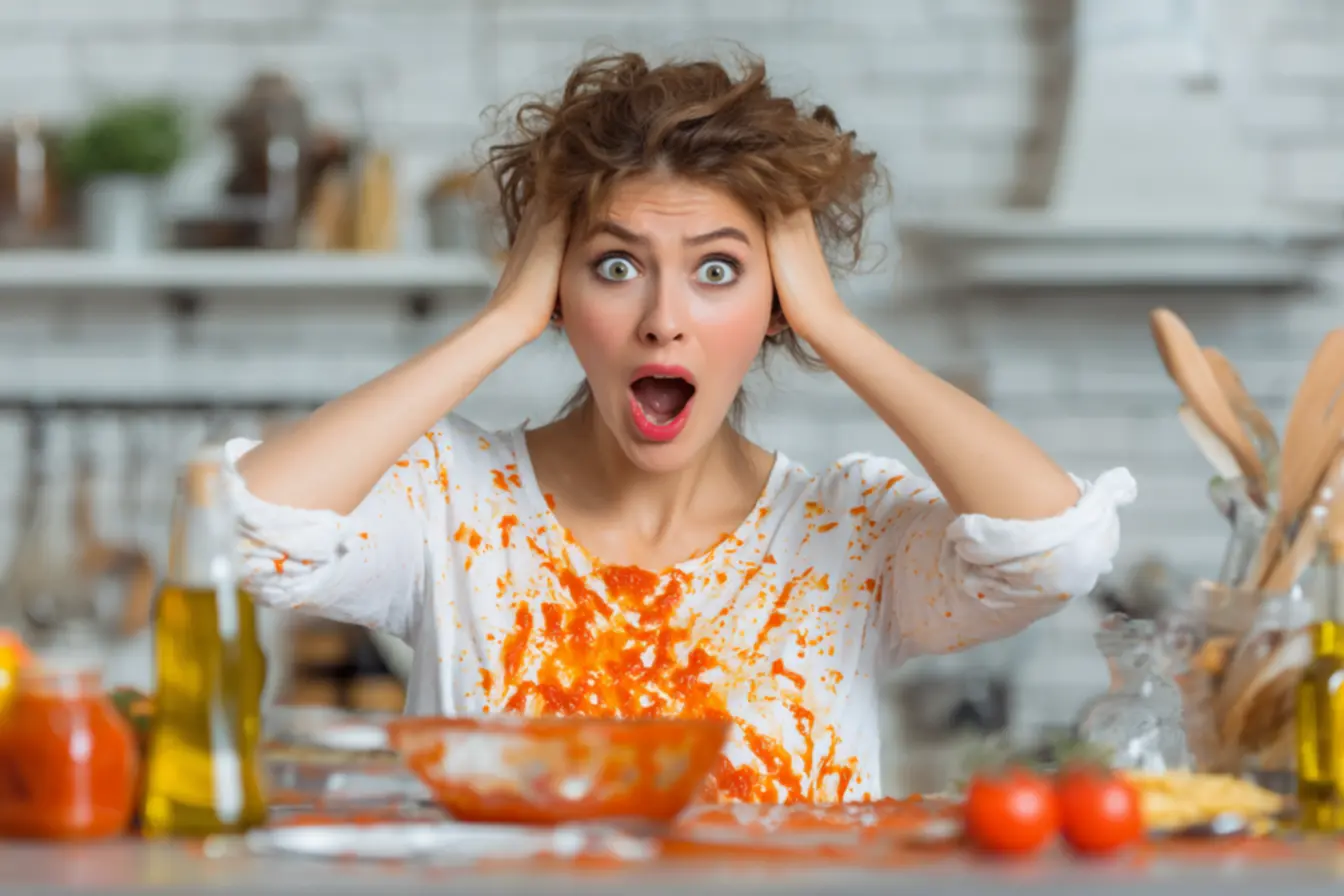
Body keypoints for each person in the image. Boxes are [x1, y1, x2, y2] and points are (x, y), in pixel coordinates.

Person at [225, 51, 1136, 803]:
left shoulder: (845, 531)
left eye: (717, 272)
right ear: (558, 292)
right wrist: (500, 321)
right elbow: (247, 533)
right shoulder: (451, 498)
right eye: (616, 266)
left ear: (775, 304)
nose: (664, 319)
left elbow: (1051, 547)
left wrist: (835, 326)